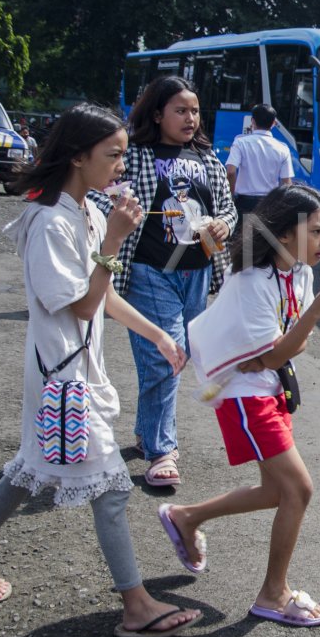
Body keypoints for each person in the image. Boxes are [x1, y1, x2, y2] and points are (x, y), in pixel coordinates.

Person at [0, 104, 202, 637]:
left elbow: (102, 301)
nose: (122, 165)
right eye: (114, 154)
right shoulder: (50, 218)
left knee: (28, 466)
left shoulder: (88, 211)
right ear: (78, 155)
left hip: (73, 370)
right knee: (113, 489)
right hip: (60, 375)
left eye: (124, 153)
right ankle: (137, 605)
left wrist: (158, 333)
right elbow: (80, 305)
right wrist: (114, 242)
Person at [158, 184, 320, 628]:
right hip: (244, 395)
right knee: (298, 490)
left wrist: (303, 324)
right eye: (318, 231)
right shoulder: (252, 280)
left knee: (275, 491)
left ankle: (185, 517)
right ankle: (273, 594)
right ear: (284, 234)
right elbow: (278, 352)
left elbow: (289, 348)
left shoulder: (299, 274)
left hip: (267, 386)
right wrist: (315, 315)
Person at [92, 75, 238, 488]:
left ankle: (146, 434)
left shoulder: (208, 159)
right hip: (148, 271)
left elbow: (228, 210)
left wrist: (223, 225)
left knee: (176, 356)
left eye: (194, 111)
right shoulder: (135, 154)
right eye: (180, 110)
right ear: (157, 114)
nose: (190, 118)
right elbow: (104, 193)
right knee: (165, 356)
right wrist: (124, 205)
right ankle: (162, 452)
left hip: (198, 274)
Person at [226, 103, 294, 222]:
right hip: (269, 203)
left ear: (252, 121)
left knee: (243, 239)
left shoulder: (240, 142)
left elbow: (231, 172)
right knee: (263, 239)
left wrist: (230, 196)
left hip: (244, 202)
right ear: (274, 123)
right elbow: (286, 183)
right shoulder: (283, 148)